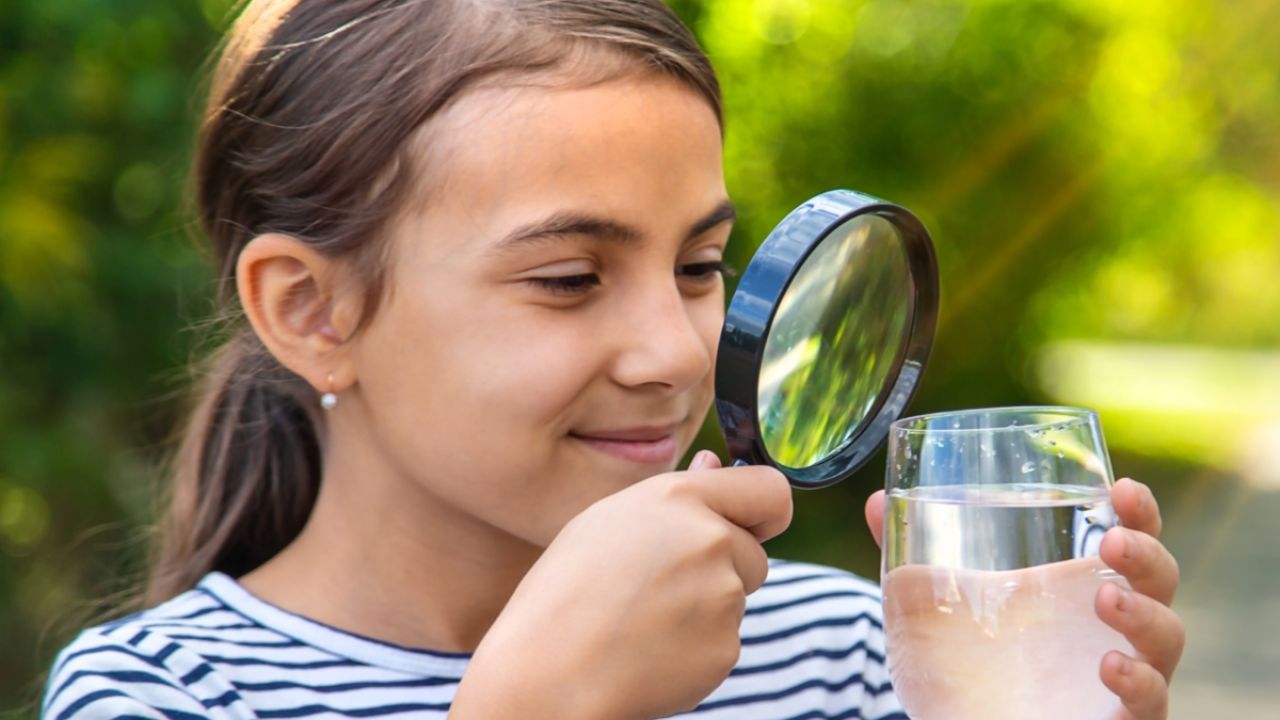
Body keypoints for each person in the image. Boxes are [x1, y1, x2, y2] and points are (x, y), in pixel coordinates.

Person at [40, 1, 1185, 718]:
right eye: (568, 278)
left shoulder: (852, 654)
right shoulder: (163, 696)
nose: (673, 353)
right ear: (311, 311)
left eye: (698, 266)